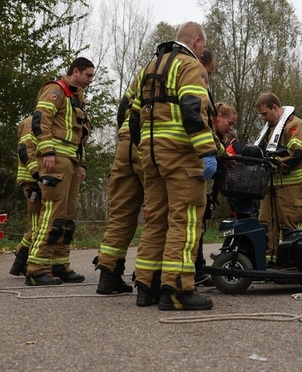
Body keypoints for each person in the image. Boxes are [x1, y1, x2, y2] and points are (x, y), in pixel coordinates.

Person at [129, 22, 215, 310]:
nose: (202, 51)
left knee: (156, 221)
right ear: (196, 41)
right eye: (202, 45)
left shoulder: (148, 67)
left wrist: (144, 149)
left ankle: (147, 286)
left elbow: (132, 117)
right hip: (181, 155)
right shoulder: (190, 66)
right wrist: (207, 152)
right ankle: (177, 289)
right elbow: (193, 109)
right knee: (186, 220)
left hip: (151, 156)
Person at [25, 57, 95, 286]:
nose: (90, 80)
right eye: (88, 75)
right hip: (56, 161)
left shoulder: (77, 97)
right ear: (75, 71)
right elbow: (40, 120)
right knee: (52, 215)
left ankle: (59, 264)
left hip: (72, 161)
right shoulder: (55, 90)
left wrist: (82, 163)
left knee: (67, 218)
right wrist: (46, 151)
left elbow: (80, 133)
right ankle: (36, 268)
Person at [92, 70, 144, 295]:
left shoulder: (142, 74)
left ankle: (109, 277)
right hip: (150, 141)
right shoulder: (183, 68)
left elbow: (122, 109)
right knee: (162, 210)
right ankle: (150, 278)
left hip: (125, 142)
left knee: (121, 214)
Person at [254, 92, 302, 261]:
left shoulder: (295, 125)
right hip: (270, 186)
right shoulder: (270, 129)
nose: (263, 118)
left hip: (292, 186)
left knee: (291, 226)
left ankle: (293, 264)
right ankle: (271, 265)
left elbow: (297, 154)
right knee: (266, 226)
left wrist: (276, 161)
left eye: (265, 113)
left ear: (275, 107)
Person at [195, 102, 238, 285]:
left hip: (201, 186)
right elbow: (209, 162)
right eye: (229, 123)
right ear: (218, 117)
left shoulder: (214, 134)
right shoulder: (206, 131)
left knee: (198, 228)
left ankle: (198, 270)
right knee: (195, 228)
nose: (230, 128)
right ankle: (196, 272)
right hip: (194, 184)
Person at [9, 114, 42, 276]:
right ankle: (27, 264)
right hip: (33, 182)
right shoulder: (33, 121)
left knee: (36, 226)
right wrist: (38, 175)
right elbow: (26, 149)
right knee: (37, 227)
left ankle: (20, 262)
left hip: (34, 180)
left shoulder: (34, 120)